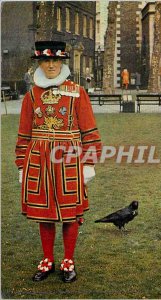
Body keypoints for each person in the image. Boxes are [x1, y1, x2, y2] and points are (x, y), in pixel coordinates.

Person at [15, 41, 102, 283]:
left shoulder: (77, 92)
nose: (51, 65)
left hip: (69, 160)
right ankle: (47, 259)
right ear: (39, 63)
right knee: (44, 213)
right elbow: (24, 133)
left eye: (55, 60)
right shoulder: (31, 95)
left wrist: (89, 163)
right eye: (46, 60)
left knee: (70, 213)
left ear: (62, 62)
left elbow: (90, 132)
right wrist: (22, 164)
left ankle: (68, 260)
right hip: (39, 159)